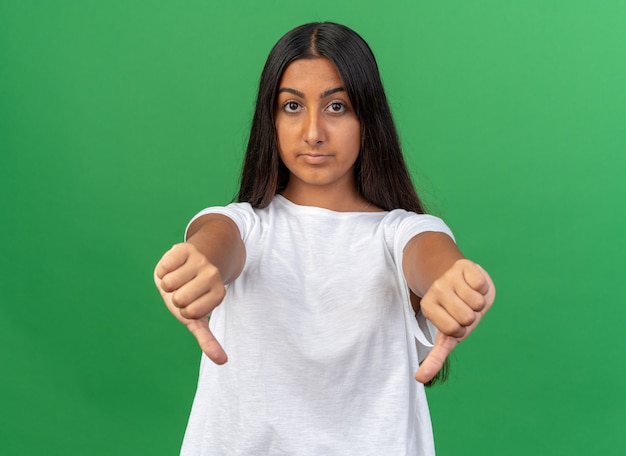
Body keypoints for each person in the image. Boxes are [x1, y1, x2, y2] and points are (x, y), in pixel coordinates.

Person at [154, 22, 495, 456]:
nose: (313, 132)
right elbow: (217, 240)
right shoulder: (244, 225)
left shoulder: (399, 233)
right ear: (270, 119)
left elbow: (429, 255)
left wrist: (454, 281)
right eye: (292, 106)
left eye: (336, 107)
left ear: (368, 117)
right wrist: (198, 263)